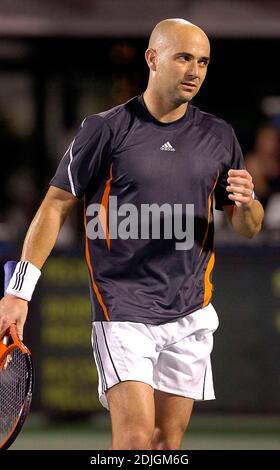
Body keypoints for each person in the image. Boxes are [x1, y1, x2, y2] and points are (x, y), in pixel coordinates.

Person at [0, 18, 264, 450]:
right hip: (122, 310)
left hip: (190, 312)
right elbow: (55, 205)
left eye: (203, 61)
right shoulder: (104, 129)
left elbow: (246, 226)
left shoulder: (219, 136)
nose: (194, 71)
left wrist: (249, 203)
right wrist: (19, 292)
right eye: (183, 58)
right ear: (152, 58)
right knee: (136, 440)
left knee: (166, 444)